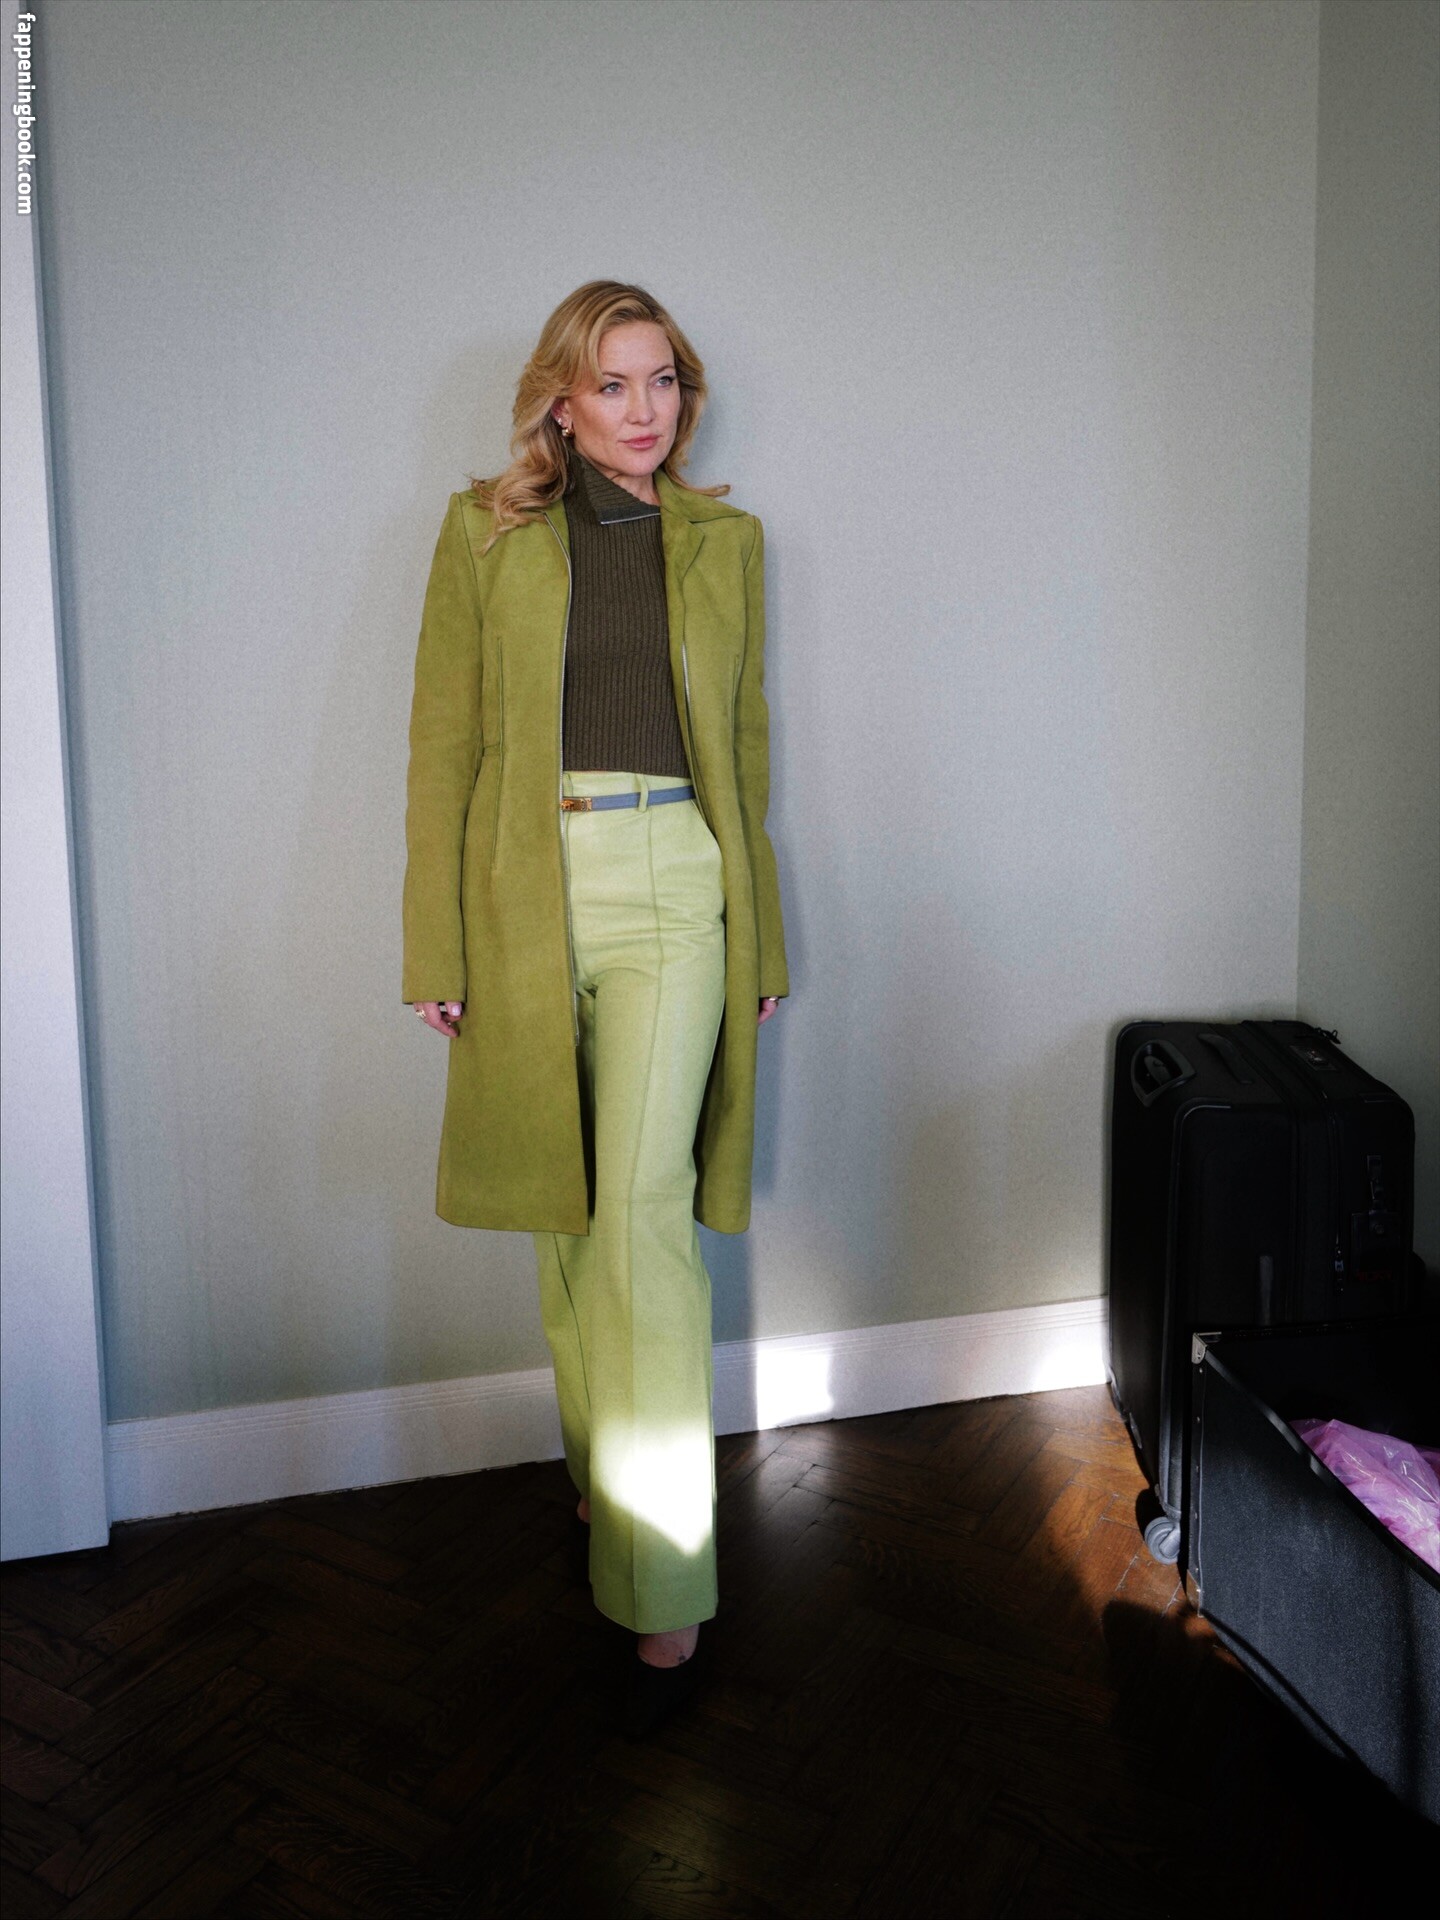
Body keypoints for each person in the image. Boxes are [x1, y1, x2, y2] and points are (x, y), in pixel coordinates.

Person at [401, 280, 788, 1735]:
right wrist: (434, 942)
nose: (644, 409)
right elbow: (441, 748)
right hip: (525, 885)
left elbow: (744, 751)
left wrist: (760, 939)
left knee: (638, 1214)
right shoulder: (483, 533)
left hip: (674, 881)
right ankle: (598, 1474)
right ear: (561, 403)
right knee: (564, 1210)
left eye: (663, 380)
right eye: (613, 384)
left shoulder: (725, 543)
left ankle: (662, 1569)